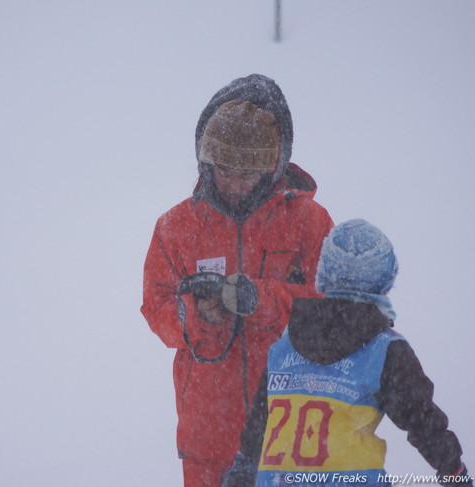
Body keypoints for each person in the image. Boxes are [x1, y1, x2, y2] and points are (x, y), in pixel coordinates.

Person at [141, 74, 334, 486]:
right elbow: (156, 309)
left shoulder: (308, 222)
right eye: (223, 169)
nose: (232, 183)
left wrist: (261, 300)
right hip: (208, 436)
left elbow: (334, 309)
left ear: (273, 165)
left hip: (294, 429)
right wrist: (198, 315)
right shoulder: (175, 227)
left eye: (246, 173)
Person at [222, 219, 472, 487]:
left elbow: (262, 418)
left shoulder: (285, 344)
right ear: (386, 279)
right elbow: (421, 420)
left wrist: (244, 466)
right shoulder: (385, 350)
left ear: (324, 274)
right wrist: (453, 470)